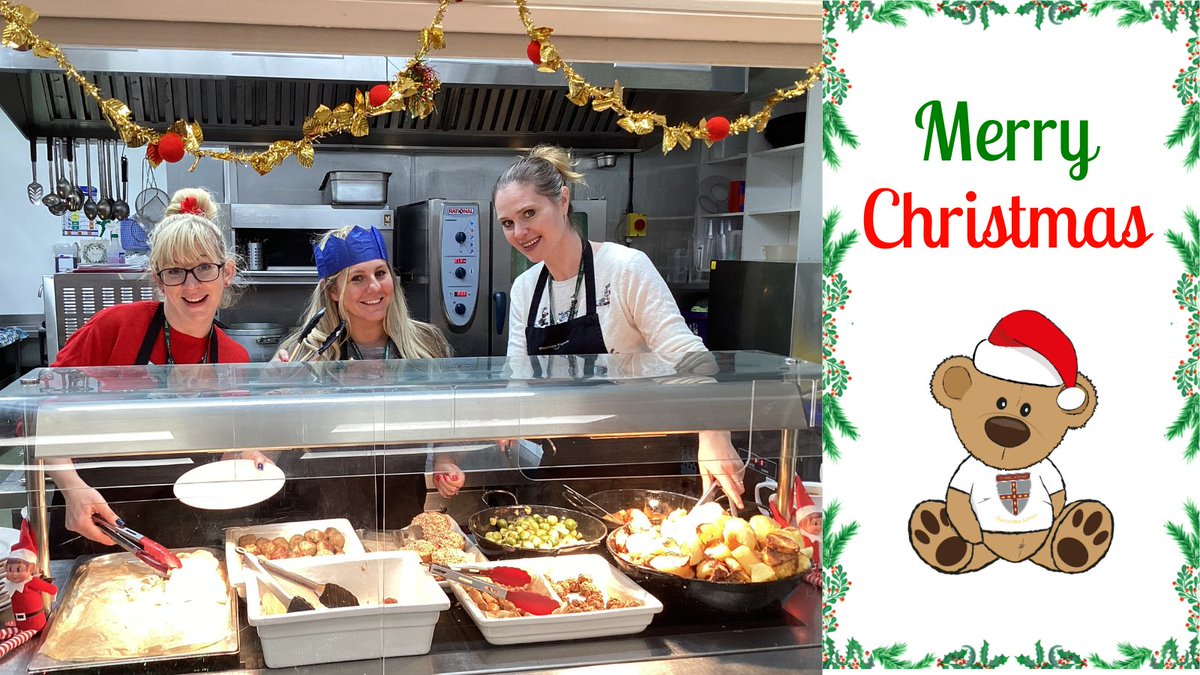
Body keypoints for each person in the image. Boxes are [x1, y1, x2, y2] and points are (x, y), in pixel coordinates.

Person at [493, 145, 747, 507]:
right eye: (507, 223)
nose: (519, 232)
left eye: (529, 213)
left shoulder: (625, 267)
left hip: (640, 459)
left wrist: (713, 430)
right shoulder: (525, 289)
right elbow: (517, 378)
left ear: (563, 201)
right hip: (561, 459)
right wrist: (505, 419)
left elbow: (689, 356)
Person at [45, 188, 256, 551]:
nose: (191, 285)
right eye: (175, 271)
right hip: (95, 515)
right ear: (158, 280)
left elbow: (227, 452)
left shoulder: (234, 357)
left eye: (204, 267)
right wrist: (71, 485)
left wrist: (245, 457)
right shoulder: (115, 327)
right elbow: (38, 415)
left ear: (227, 272)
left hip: (185, 521)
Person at [275, 225, 465, 527]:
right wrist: (278, 389)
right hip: (320, 512)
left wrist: (446, 460)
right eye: (358, 279)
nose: (374, 287)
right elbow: (275, 431)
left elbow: (447, 416)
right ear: (333, 291)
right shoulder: (306, 353)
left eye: (380, 273)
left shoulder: (426, 344)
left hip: (400, 506)